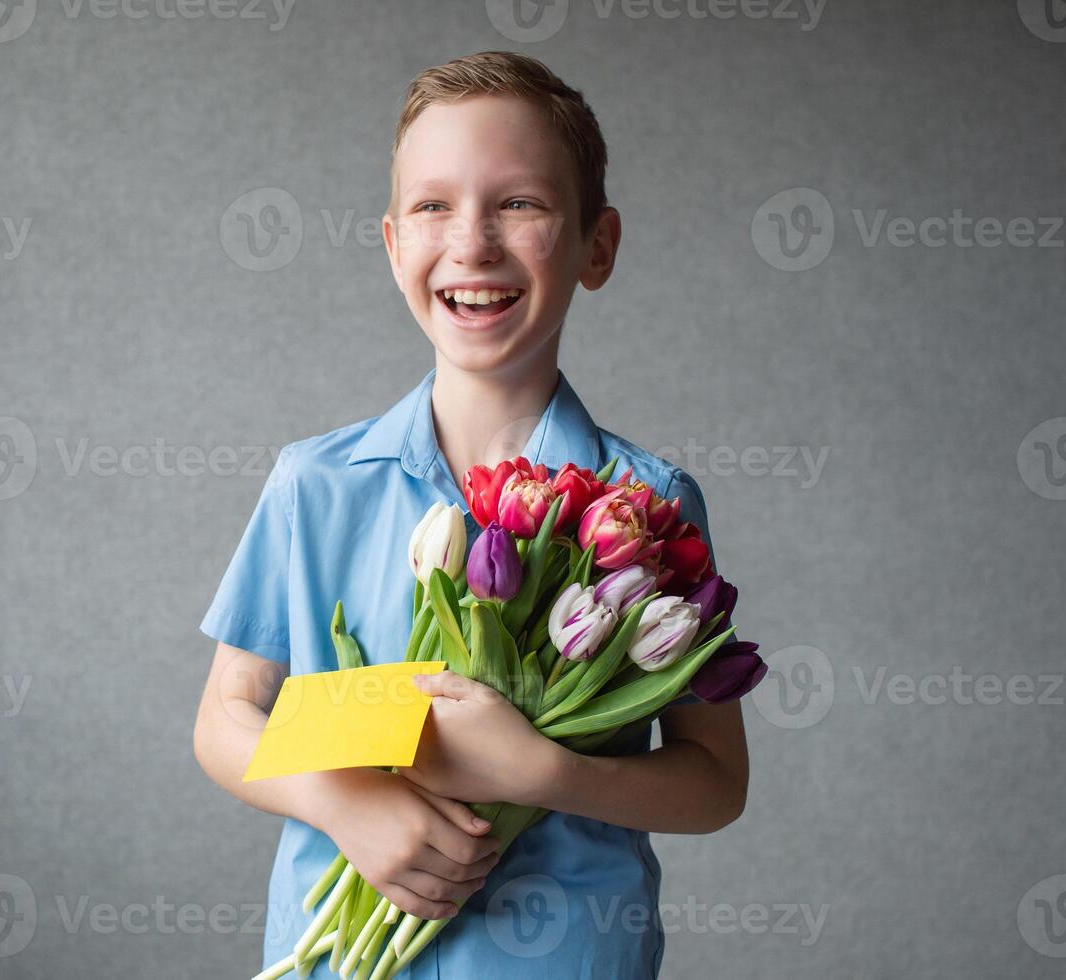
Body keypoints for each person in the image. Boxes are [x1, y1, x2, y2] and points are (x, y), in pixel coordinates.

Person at [193, 51, 750, 979]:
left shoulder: (646, 507)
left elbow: (714, 782)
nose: (472, 243)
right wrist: (345, 806)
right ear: (390, 243)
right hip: (334, 960)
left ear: (596, 245)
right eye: (432, 206)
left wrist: (541, 775)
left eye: (520, 204)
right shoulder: (315, 484)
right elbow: (225, 715)